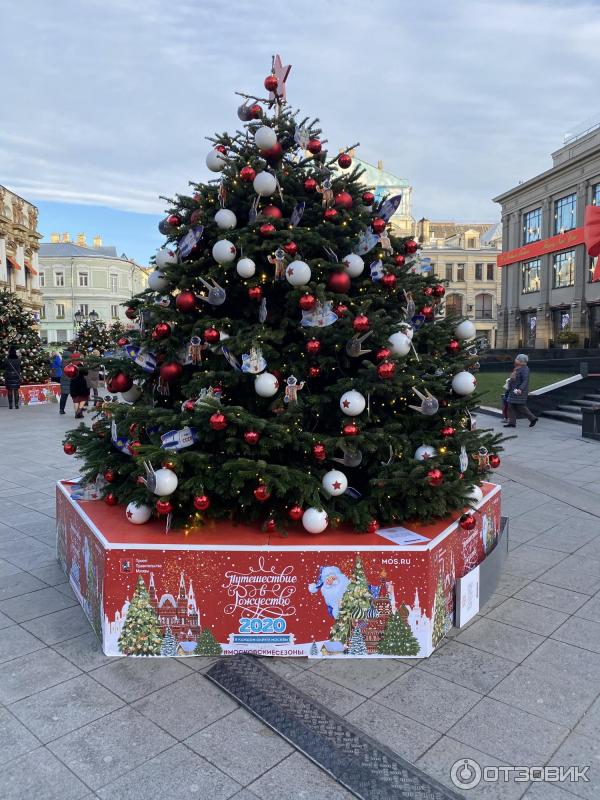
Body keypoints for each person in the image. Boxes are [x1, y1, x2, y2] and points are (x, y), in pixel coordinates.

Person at [504, 353, 538, 428]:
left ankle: (533, 418)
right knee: (510, 405)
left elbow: (525, 381)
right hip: (513, 390)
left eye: (517, 359)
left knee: (520, 406)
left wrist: (520, 389)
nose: (515, 360)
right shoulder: (517, 367)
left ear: (521, 361)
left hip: (519, 391)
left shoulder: (525, 369)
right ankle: (512, 423)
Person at [59, 345, 75, 415]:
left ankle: (61, 409)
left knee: (64, 395)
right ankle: (78, 408)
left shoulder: (63, 358)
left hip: (64, 378)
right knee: (75, 395)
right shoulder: (72, 359)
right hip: (71, 378)